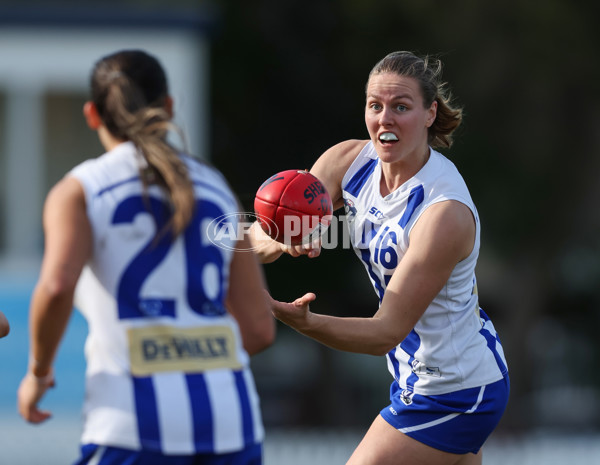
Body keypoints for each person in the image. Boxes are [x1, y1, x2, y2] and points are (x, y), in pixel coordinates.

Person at [17, 49, 275, 465]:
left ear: (92, 115)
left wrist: (38, 374)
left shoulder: (81, 189)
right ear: (169, 106)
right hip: (232, 423)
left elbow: (57, 285)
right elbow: (260, 331)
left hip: (131, 425)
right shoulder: (215, 186)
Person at [252, 51, 509, 465]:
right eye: (376, 106)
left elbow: (384, 332)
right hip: (421, 379)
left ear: (430, 114)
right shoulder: (349, 163)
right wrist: (280, 237)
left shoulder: (443, 213)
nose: (385, 119)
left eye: (401, 107)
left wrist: (305, 322)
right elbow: (271, 228)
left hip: (455, 389)